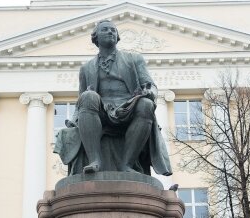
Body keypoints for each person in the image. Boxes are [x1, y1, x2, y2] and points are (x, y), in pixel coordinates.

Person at [54, 19, 172, 177]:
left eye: (113, 30)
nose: (110, 32)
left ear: (117, 37)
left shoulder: (133, 59)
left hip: (129, 107)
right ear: (96, 38)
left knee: (146, 104)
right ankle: (94, 160)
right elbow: (80, 102)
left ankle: (127, 164)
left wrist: (149, 92)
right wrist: (73, 122)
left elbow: (150, 85)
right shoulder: (86, 68)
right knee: (88, 96)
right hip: (101, 111)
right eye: (105, 30)